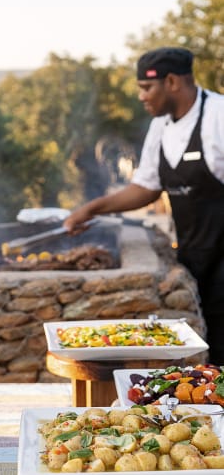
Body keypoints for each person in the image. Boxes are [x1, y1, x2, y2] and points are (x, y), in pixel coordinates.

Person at [63, 46, 224, 365]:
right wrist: (91, 208)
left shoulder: (218, 115)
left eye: (147, 87)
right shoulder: (161, 127)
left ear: (173, 82)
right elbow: (146, 188)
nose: (141, 96)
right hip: (194, 256)